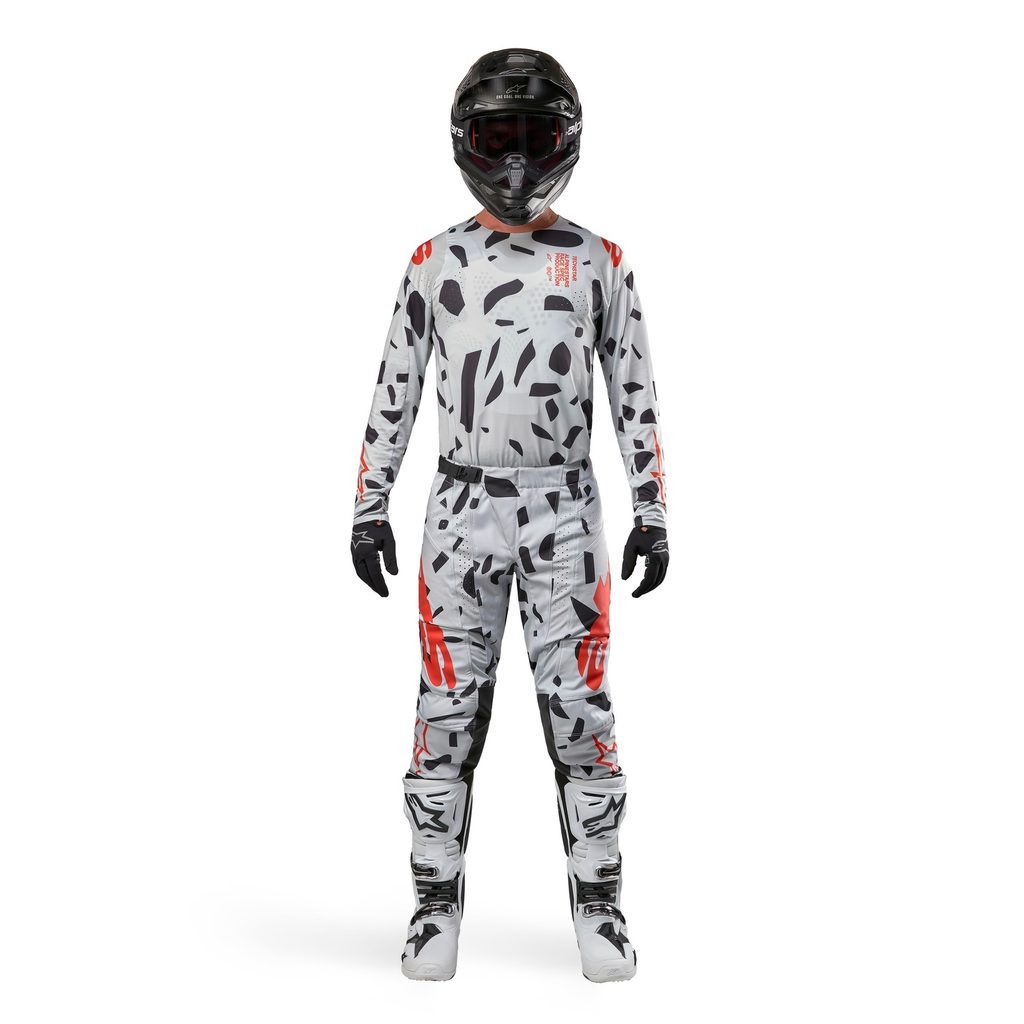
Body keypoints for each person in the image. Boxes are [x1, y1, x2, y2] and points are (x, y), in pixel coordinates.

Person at [350, 48, 669, 983]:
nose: (518, 163)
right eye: (499, 139)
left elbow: (635, 389)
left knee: (582, 710)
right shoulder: (432, 263)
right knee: (445, 708)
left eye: (534, 138)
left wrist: (653, 507)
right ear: (467, 144)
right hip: (461, 510)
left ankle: (600, 904)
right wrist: (369, 504)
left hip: (566, 510)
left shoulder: (599, 263)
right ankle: (433, 906)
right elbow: (396, 386)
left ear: (567, 141)